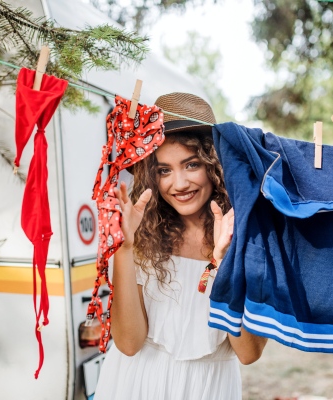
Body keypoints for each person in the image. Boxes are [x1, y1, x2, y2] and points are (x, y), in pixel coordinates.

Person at [94, 93, 268, 400]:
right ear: (151, 176)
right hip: (134, 383)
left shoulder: (249, 236)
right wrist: (125, 246)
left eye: (191, 165)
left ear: (215, 165)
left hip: (210, 388)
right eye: (164, 170)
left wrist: (225, 265)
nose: (179, 184)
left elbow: (249, 352)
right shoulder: (141, 235)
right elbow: (129, 343)